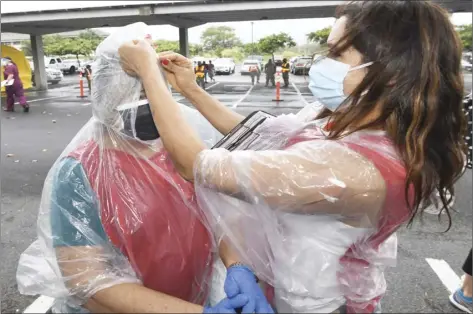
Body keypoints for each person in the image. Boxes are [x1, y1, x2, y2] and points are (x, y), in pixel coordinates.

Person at [118, 1, 467, 312]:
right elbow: (263, 134)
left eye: (336, 55)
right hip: (284, 283)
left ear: (391, 74)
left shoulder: (352, 172)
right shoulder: (357, 120)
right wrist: (190, 89)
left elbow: (196, 164)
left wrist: (150, 74)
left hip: (315, 303)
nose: (322, 64)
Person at [15, 22, 263, 314]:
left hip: (193, 298)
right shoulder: (81, 171)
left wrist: (237, 265)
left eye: (152, 95)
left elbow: (220, 215)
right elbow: (86, 280)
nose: (148, 108)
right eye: (135, 98)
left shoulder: (183, 151)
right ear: (106, 100)